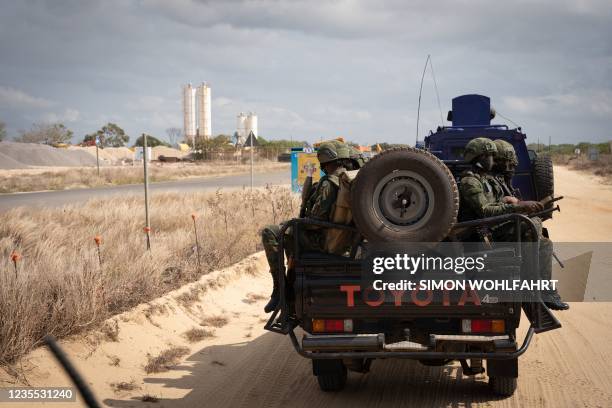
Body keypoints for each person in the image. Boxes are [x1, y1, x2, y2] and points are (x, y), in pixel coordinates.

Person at [261, 143, 347, 313]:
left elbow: (315, 221)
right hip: (335, 237)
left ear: (323, 163)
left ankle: (280, 290)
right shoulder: (343, 178)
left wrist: (297, 222)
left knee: (270, 232)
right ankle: (289, 292)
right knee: (289, 235)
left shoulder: (329, 184)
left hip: (320, 239)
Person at [490, 139, 569, 310]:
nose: (511, 168)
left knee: (545, 242)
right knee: (532, 225)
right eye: (507, 164)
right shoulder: (484, 180)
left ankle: (546, 291)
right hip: (490, 229)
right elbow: (488, 207)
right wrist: (514, 204)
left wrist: (520, 205)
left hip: (499, 223)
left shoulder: (500, 180)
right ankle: (532, 288)